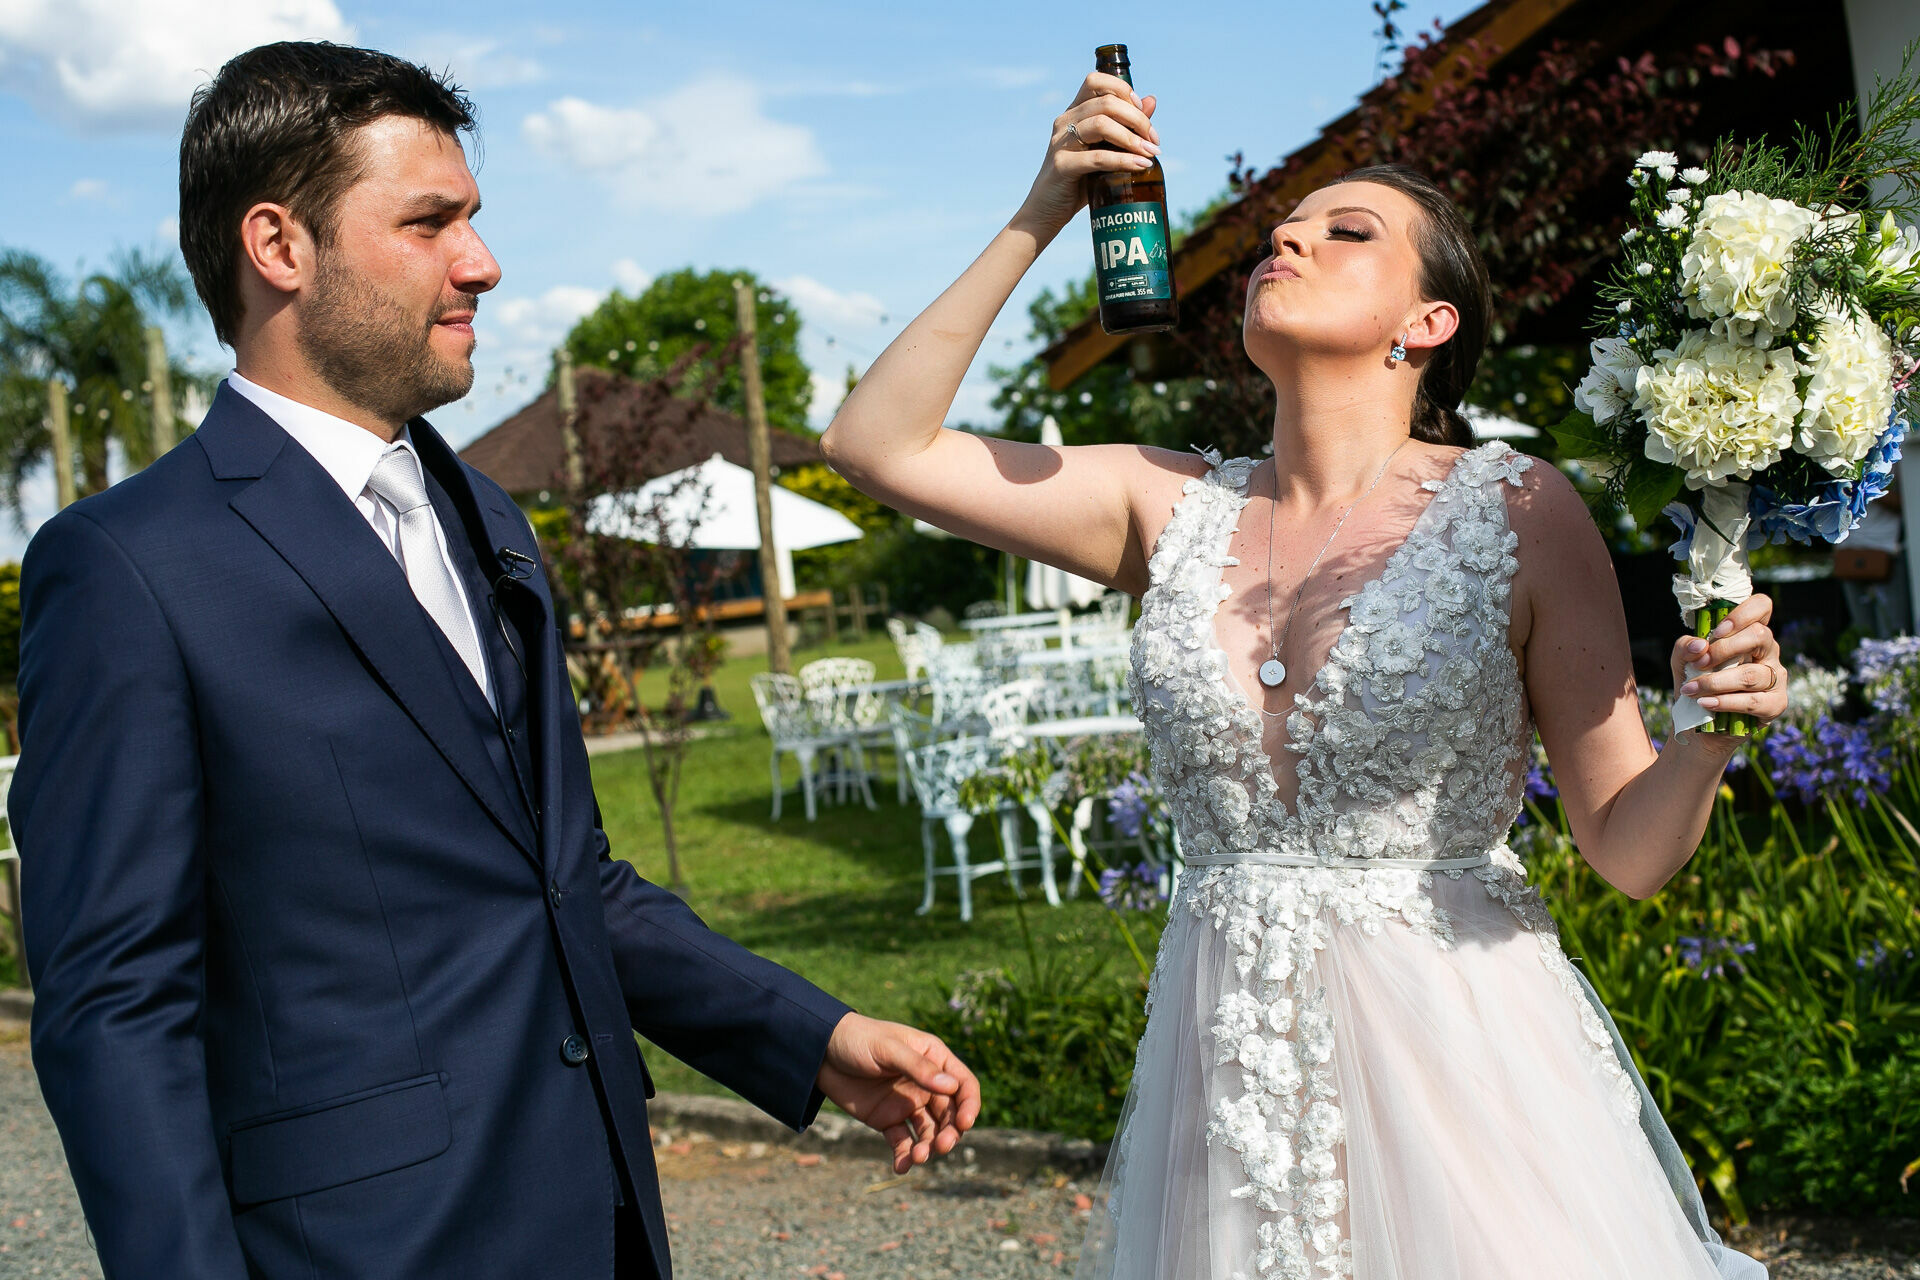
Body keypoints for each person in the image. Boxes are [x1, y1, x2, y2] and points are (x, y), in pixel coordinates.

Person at [11, 42, 976, 1280]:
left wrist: (813, 1033)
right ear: (278, 246)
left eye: (475, 219)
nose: (483, 261)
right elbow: (115, 1008)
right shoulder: (127, 567)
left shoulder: (490, 523)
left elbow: (564, 879)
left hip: (602, 1218)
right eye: (430, 222)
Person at [822, 71, 1786, 1280]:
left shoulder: (1523, 511)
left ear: (1426, 323)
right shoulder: (1162, 504)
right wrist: (1045, 210)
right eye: (1290, 224)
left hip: (1468, 1084)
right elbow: (874, 443)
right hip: (1229, 1091)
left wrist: (1707, 729)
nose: (1287, 235)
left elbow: (1629, 851)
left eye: (1348, 232)